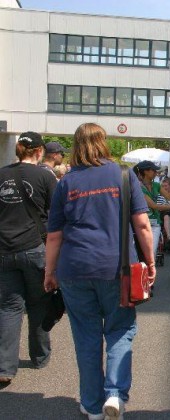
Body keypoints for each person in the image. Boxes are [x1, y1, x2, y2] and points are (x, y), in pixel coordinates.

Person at [43, 123, 155, 419]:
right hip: (117, 268)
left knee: (87, 337)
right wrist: (151, 262)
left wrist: (49, 272)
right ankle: (115, 395)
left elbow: (54, 235)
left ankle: (92, 407)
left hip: (74, 269)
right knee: (120, 330)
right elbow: (143, 224)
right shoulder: (123, 175)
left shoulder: (67, 181)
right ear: (103, 142)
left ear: (76, 146)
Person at [0, 132, 57, 385]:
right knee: (38, 304)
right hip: (35, 248)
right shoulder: (45, 176)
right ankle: (40, 357)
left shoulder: (1, 174)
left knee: (9, 308)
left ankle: (5, 367)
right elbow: (57, 215)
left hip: (4, 250)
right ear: (38, 151)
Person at [137, 160, 170, 259]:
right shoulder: (138, 187)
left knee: (151, 252)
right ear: (146, 171)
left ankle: (149, 273)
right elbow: (154, 206)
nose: (156, 173)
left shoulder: (156, 185)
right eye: (153, 170)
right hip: (142, 223)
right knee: (142, 253)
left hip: (155, 223)